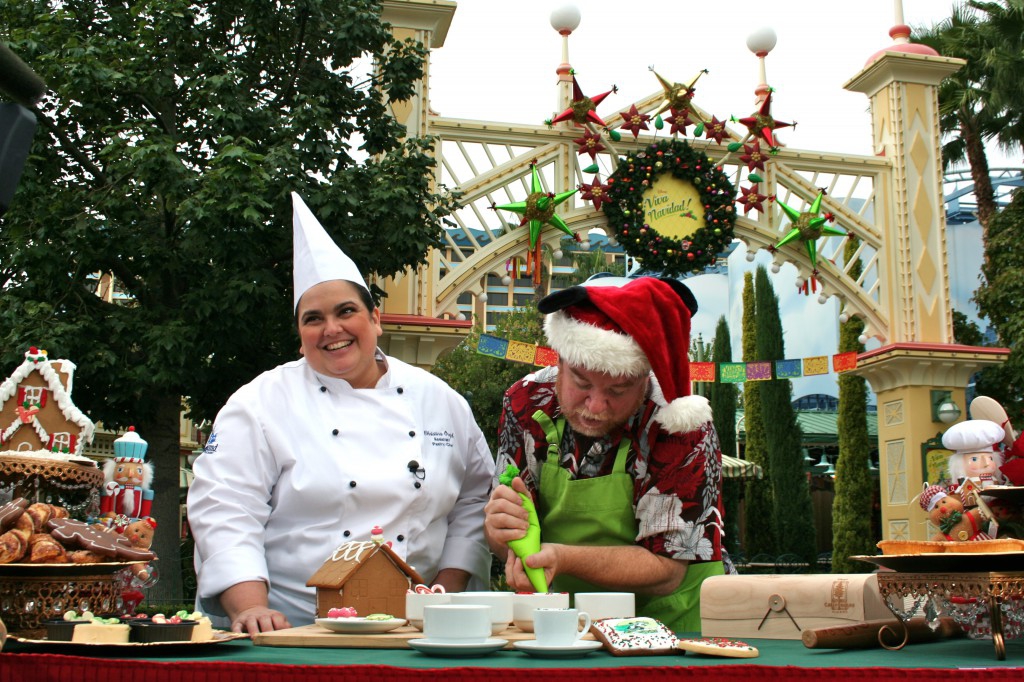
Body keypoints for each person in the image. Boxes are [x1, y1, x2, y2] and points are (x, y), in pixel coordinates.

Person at [187, 193, 494, 635]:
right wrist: (249, 607)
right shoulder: (260, 402)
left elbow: (473, 501)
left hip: (419, 628)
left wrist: (445, 592)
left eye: (346, 311)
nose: (331, 329)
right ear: (300, 337)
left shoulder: (439, 399)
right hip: (291, 628)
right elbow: (226, 507)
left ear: (375, 319)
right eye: (313, 319)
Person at [483, 276, 724, 633]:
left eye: (617, 389)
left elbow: (666, 570)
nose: (595, 406)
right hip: (561, 623)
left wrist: (560, 557)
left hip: (673, 623)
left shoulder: (679, 423)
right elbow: (510, 530)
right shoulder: (524, 402)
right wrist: (502, 534)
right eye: (581, 383)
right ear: (560, 361)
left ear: (644, 379)